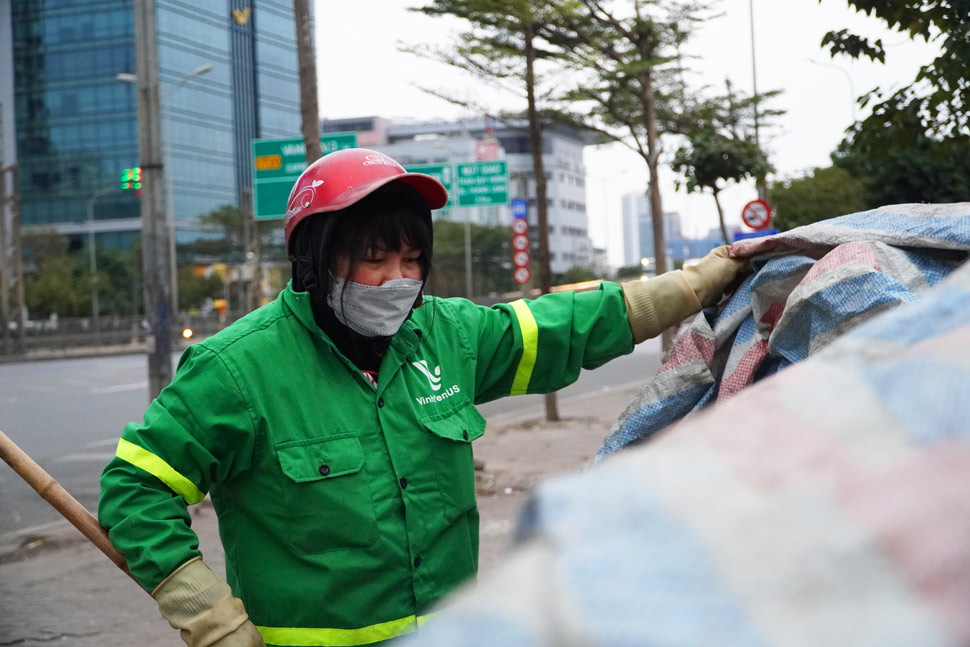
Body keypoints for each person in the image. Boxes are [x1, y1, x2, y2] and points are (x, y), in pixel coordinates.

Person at [98, 148, 747, 647]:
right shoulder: (238, 369)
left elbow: (565, 327)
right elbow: (136, 490)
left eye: (412, 259)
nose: (398, 281)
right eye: (376, 259)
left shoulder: (444, 334)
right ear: (314, 259)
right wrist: (212, 619)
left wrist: (696, 285)